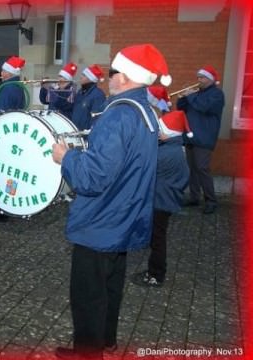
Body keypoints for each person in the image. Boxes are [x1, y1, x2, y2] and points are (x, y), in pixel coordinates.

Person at [51, 44, 171, 359]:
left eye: (113, 72)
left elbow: (92, 178)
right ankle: (105, 341)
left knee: (88, 295)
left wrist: (67, 157)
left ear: (128, 75)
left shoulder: (118, 114)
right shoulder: (145, 111)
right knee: (110, 287)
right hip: (123, 218)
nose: (108, 77)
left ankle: (88, 353)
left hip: (100, 222)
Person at [131, 94, 190, 288]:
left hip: (160, 202)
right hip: (164, 199)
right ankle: (155, 270)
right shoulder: (173, 148)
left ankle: (156, 274)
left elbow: (144, 168)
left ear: (169, 133)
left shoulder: (167, 153)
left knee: (157, 240)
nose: (157, 132)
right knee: (156, 236)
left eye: (161, 130)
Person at [0, 56, 27, 222]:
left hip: (2, 137)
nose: (0, 73)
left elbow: (0, 113)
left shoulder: (8, 89)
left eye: (3, 70)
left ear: (9, 72)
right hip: (9, 136)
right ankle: (7, 205)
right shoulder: (11, 86)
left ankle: (2, 208)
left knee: (3, 172)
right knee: (8, 171)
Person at [176, 65, 225, 215]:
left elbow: (205, 107)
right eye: (198, 77)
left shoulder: (217, 94)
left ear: (210, 79)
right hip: (190, 136)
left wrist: (190, 96)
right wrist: (183, 98)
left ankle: (211, 200)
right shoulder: (196, 94)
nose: (199, 80)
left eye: (202, 77)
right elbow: (182, 109)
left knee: (202, 169)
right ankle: (194, 197)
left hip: (204, 138)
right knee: (192, 169)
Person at [71, 64, 106, 131]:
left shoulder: (98, 95)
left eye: (84, 75)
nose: (80, 77)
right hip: (76, 132)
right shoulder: (80, 92)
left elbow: (96, 118)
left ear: (90, 78)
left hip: (86, 135)